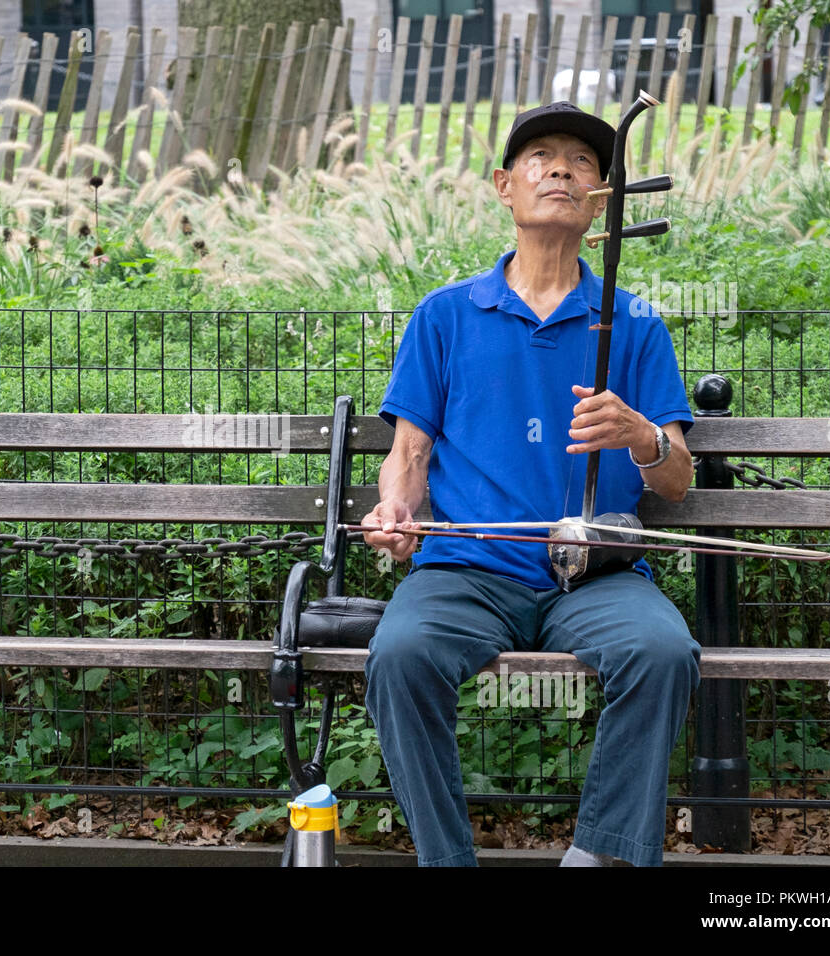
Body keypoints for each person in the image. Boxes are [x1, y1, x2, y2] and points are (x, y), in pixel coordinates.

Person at [360, 100, 700, 867]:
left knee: (663, 651)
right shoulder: (446, 315)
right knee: (401, 654)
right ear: (503, 186)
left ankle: (597, 856)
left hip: (597, 575)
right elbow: (408, 455)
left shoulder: (635, 323)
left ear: (602, 200)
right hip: (467, 570)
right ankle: (446, 861)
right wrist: (394, 510)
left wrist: (642, 436)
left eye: (582, 162)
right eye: (540, 157)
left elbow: (676, 480)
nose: (560, 169)